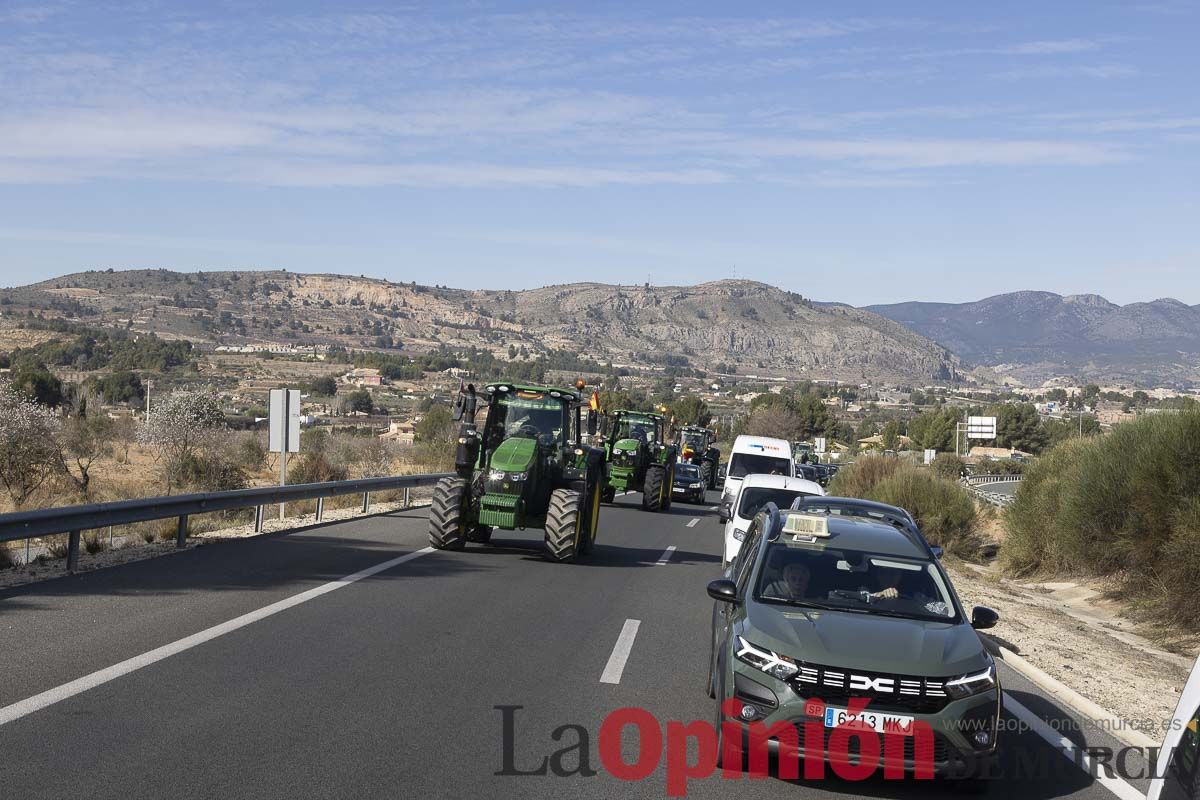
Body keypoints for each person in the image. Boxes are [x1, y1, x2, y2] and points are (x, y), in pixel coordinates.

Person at [867, 565, 949, 617]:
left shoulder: (915, 597)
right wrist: (879, 595)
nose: (888, 577)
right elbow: (859, 598)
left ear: (900, 576)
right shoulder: (864, 591)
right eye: (884, 573)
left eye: (893, 573)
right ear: (877, 575)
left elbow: (944, 610)